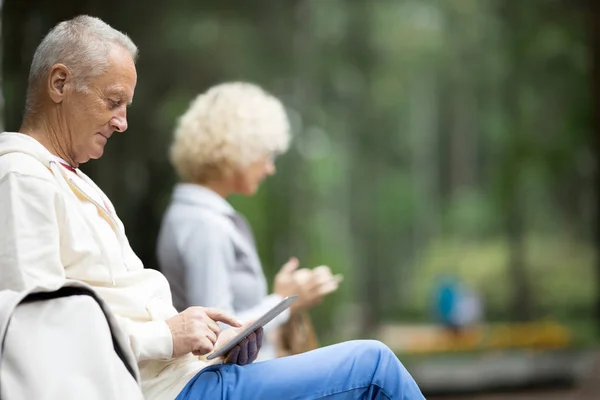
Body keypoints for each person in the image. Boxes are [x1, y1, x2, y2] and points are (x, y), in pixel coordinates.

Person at [0, 15, 425, 400]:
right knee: (373, 366)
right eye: (113, 101)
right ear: (59, 84)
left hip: (187, 376)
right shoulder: (21, 177)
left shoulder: (70, 179)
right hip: (170, 391)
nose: (122, 122)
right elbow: (36, 336)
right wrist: (169, 335)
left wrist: (205, 337)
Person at [157, 82, 340, 360]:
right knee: (372, 361)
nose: (270, 167)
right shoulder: (203, 224)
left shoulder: (199, 216)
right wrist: (284, 302)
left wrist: (285, 302)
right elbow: (216, 336)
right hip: (230, 383)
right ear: (237, 149)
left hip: (247, 375)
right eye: (267, 154)